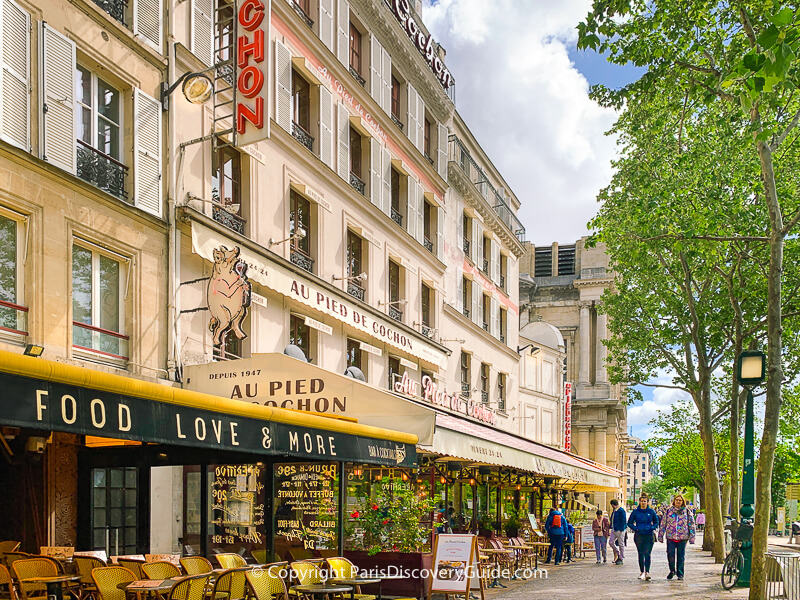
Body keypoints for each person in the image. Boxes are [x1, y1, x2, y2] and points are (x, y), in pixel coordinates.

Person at [658, 494, 695, 580]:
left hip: (683, 537)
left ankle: (680, 573)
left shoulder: (687, 511)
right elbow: (663, 523)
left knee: (681, 556)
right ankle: (672, 570)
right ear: (674, 501)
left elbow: (691, 524)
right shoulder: (668, 511)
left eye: (680, 500)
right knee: (670, 554)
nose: (678, 501)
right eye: (677, 500)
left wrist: (692, 537)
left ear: (683, 502)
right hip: (671, 536)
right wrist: (660, 535)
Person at [628, 493, 660, 580]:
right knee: (641, 553)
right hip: (639, 535)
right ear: (639, 502)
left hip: (649, 535)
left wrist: (652, 528)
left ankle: (647, 572)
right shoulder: (635, 512)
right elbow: (629, 523)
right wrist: (636, 529)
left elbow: (656, 522)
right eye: (641, 501)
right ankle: (642, 571)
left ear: (648, 502)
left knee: (647, 553)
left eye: (645, 501)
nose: (643, 503)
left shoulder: (651, 512)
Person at [609, 499, 627, 565]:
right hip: (614, 529)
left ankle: (621, 557)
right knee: (611, 542)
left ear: (613, 505)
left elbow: (623, 520)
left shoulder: (621, 510)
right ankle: (618, 553)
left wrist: (621, 529)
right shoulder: (614, 511)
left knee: (621, 544)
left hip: (620, 529)